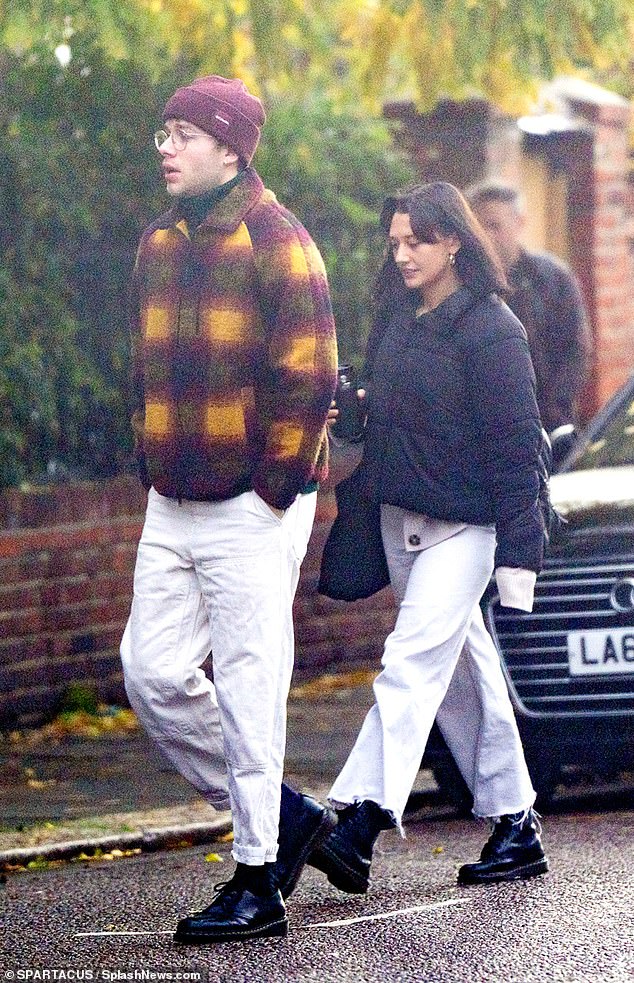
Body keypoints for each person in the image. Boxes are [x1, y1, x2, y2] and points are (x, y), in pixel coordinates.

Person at [272, 181, 549, 899]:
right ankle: (516, 823)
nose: (401, 254)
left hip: (467, 529)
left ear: (453, 240)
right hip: (401, 521)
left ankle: (356, 822)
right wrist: (356, 407)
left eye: (416, 241)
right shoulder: (395, 319)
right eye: (394, 242)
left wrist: (520, 555)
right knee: (462, 676)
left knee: (409, 665)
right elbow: (389, 418)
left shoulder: (494, 330)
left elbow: (520, 453)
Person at [119, 74, 338, 944]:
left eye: (183, 133)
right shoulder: (157, 243)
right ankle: (287, 816)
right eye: (163, 132)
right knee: (151, 672)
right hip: (170, 502)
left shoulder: (280, 241)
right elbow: (139, 370)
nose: (166, 148)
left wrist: (271, 489)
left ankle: (258, 877)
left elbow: (310, 376)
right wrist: (151, 454)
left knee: (251, 690)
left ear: (230, 148)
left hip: (253, 502)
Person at [466, 181, 592, 434]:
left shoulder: (552, 278)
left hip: (547, 421)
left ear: (519, 223)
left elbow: (577, 350)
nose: (487, 235)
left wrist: (554, 405)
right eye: (479, 227)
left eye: (494, 225)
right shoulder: (464, 284)